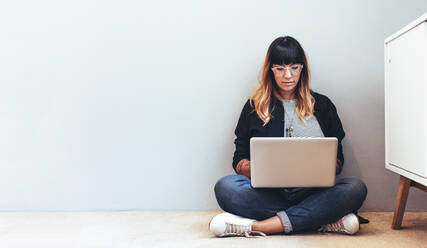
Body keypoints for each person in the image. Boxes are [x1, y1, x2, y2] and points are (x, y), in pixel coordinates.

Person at [209, 36, 368, 238]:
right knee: (226, 187)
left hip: (313, 192)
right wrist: (258, 168)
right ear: (270, 70)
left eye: (294, 67)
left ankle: (260, 227)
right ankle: (320, 219)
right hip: (269, 194)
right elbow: (238, 159)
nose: (288, 75)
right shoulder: (253, 107)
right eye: (280, 68)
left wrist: (323, 166)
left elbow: (338, 160)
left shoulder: (323, 105)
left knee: (355, 188)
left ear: (303, 69)